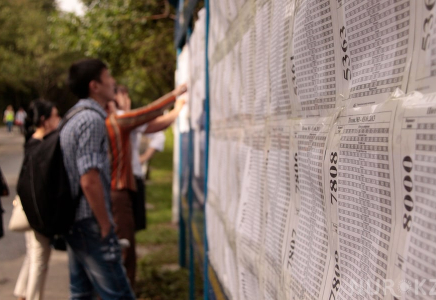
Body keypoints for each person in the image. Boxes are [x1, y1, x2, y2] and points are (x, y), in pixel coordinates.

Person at [60, 58, 135, 299]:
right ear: (95, 85)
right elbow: (89, 179)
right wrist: (105, 224)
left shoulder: (73, 116)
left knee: (82, 293)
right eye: (108, 77)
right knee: (119, 294)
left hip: (75, 221)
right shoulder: (92, 120)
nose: (113, 82)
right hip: (90, 221)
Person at [106, 83, 187, 288]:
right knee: (124, 246)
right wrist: (175, 98)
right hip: (118, 189)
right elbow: (149, 115)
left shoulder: (111, 121)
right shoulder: (118, 120)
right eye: (124, 95)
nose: (128, 100)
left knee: (123, 241)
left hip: (119, 188)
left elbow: (151, 123)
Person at [14, 100, 61, 300]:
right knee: (39, 259)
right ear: (44, 120)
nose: (58, 120)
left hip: (29, 206)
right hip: (36, 209)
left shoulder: (33, 141)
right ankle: (31, 296)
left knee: (33, 254)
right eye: (55, 115)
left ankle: (22, 292)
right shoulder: (40, 145)